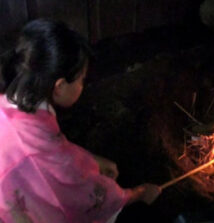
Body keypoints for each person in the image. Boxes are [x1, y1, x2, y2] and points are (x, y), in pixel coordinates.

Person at [0, 19, 161, 223]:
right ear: (59, 86)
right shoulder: (40, 152)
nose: (83, 85)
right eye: (82, 79)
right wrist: (136, 194)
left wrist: (93, 160)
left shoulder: (15, 99)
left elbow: (57, 148)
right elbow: (84, 195)